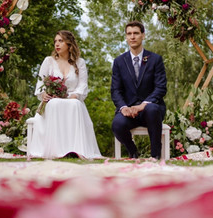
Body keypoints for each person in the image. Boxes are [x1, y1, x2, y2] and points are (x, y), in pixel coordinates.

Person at [26, 31, 103, 159]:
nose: (57, 44)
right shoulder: (49, 61)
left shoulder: (80, 62)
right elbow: (40, 83)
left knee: (76, 104)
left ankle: (77, 149)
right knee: (54, 103)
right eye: (55, 41)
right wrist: (44, 94)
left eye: (60, 41)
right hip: (52, 100)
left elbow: (83, 85)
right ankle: (55, 150)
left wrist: (76, 95)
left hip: (72, 99)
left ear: (69, 43)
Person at [111, 20, 168, 160]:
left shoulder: (155, 59)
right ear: (125, 37)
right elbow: (115, 90)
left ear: (143, 35)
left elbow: (161, 87)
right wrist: (123, 107)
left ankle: (155, 155)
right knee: (117, 124)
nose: (132, 37)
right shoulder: (119, 62)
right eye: (129, 34)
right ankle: (133, 152)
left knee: (152, 109)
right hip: (129, 111)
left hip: (151, 110)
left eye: (136, 33)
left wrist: (143, 104)